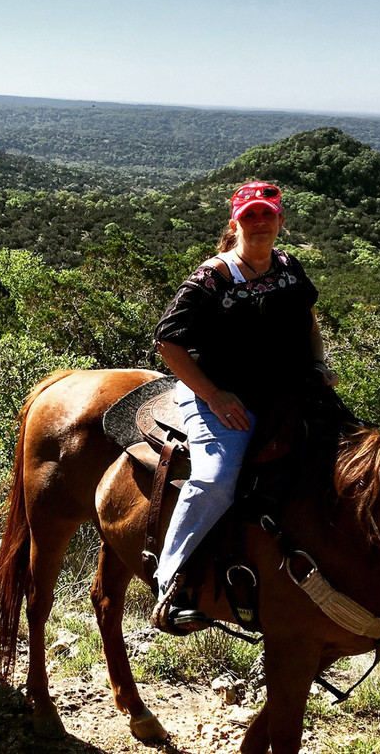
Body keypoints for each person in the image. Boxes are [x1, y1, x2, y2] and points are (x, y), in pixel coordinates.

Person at [150, 181, 338, 634]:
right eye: (249, 215)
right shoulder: (211, 279)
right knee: (215, 480)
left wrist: (318, 363)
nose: (259, 223)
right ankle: (169, 584)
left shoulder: (289, 268)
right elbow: (167, 342)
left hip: (291, 392)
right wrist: (214, 395)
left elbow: (309, 322)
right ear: (235, 223)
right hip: (221, 398)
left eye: (266, 215)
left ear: (280, 221)